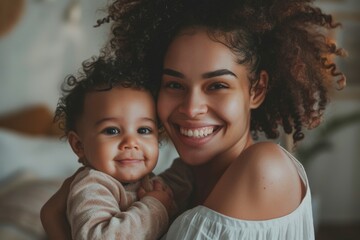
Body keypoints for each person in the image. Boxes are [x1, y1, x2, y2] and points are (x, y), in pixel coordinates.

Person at [41, 0, 346, 239]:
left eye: (217, 85)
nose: (191, 107)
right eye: (174, 85)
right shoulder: (180, 178)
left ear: (257, 89)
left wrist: (54, 218)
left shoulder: (264, 167)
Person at [51, 57, 193, 240]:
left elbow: (177, 186)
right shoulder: (93, 185)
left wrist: (192, 166)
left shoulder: (146, 182)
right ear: (79, 145)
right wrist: (155, 205)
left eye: (143, 130)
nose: (131, 142)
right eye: (112, 130)